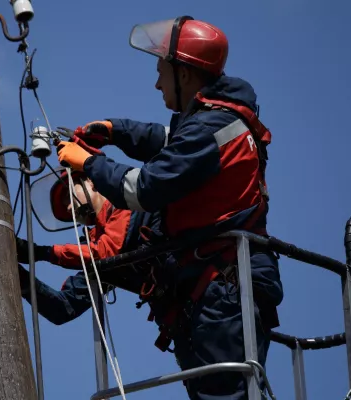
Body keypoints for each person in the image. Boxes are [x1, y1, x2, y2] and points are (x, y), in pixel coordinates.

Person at [56, 16, 284, 400]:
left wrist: (88, 162)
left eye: (162, 72)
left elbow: (141, 189)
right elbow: (164, 139)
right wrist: (113, 130)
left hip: (221, 292)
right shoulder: (217, 121)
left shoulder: (207, 130)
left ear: (185, 74)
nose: (157, 83)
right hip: (221, 292)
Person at [15, 168, 164, 325]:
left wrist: (43, 253)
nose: (69, 208)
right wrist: (18, 275)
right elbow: (63, 308)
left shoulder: (126, 200)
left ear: (91, 181)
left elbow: (106, 251)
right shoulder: (98, 251)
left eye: (68, 195)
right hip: (180, 322)